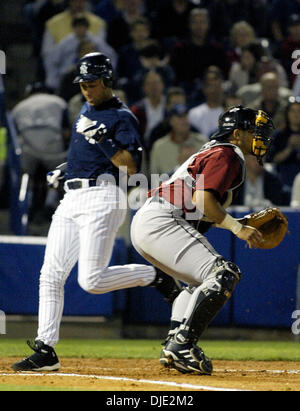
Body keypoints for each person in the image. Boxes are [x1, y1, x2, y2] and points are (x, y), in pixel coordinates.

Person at [11, 52, 181, 372]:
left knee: (91, 281)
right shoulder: (85, 110)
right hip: (72, 197)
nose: (86, 89)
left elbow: (132, 168)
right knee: (50, 274)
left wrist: (105, 141)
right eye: (83, 84)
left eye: (91, 83)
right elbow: (84, 154)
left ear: (107, 81)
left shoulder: (123, 116)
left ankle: (154, 275)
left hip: (104, 196)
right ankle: (46, 349)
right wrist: (65, 169)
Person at [131, 106, 274, 374]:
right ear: (237, 134)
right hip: (163, 221)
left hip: (152, 221)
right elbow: (202, 201)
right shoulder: (228, 153)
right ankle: (182, 345)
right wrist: (236, 228)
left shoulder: (214, 149)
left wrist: (239, 223)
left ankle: (174, 343)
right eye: (253, 131)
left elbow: (201, 210)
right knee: (224, 274)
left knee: (198, 284)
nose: (259, 136)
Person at [11, 82, 71, 223]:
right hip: (51, 139)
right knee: (57, 173)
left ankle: (28, 202)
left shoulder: (19, 106)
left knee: (27, 175)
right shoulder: (59, 102)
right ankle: (50, 202)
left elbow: (14, 132)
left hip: (27, 142)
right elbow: (66, 131)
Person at [44, 15, 117, 91]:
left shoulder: (96, 42)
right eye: (78, 27)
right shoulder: (65, 43)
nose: (81, 29)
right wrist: (53, 81)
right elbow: (53, 60)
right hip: (69, 75)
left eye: (83, 26)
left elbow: (111, 55)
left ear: (87, 27)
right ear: (74, 28)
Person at [150, 104, 206, 176]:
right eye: (179, 117)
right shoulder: (159, 147)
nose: (184, 120)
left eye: (185, 116)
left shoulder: (202, 143)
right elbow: (154, 179)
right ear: (171, 121)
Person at [267, 96, 300, 188]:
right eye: (293, 111)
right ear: (287, 113)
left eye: (299, 111)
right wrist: (289, 147)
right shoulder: (279, 135)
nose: (296, 115)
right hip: (284, 176)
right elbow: (272, 160)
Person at [188, 67, 224, 139]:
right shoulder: (194, 113)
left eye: (216, 86)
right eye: (210, 85)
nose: (213, 90)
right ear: (204, 89)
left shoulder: (230, 113)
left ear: (221, 87)